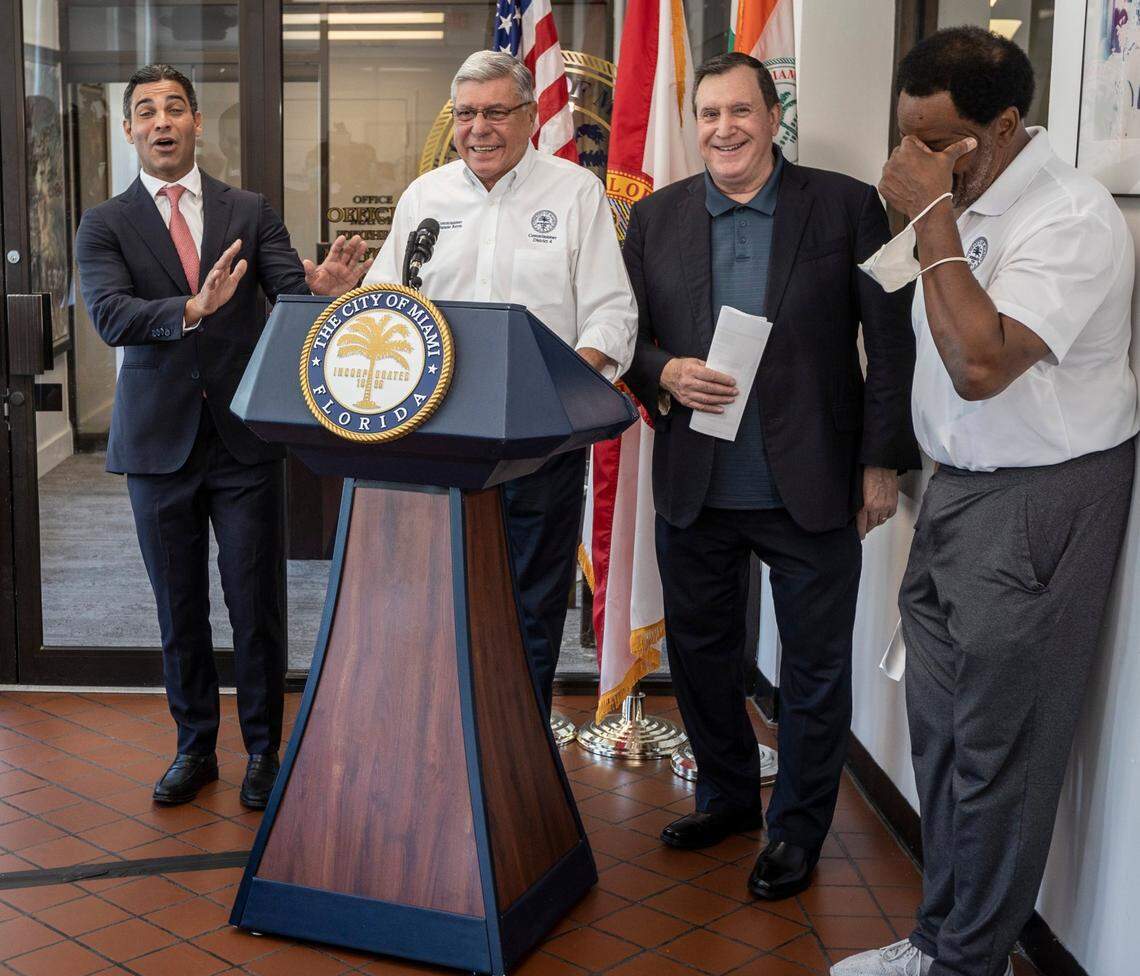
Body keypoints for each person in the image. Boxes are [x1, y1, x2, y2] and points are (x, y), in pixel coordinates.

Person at [830, 28, 1138, 976]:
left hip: (1040, 499)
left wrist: (929, 215)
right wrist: (939, 207)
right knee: (944, 735)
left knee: (1002, 746)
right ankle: (941, 936)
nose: (913, 158)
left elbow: (979, 365)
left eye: (937, 141)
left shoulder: (1073, 218)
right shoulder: (967, 198)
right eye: (906, 137)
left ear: (1002, 127)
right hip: (956, 493)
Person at [622, 52, 919, 900]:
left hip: (813, 483)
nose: (725, 129)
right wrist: (663, 371)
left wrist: (881, 461)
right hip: (697, 483)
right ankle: (725, 797)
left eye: (740, 111)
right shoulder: (657, 217)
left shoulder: (847, 206)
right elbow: (624, 334)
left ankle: (796, 830)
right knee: (701, 657)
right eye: (709, 114)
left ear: (773, 115)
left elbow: (890, 344)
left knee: (815, 671)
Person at [76, 64, 367, 809]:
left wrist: (324, 296)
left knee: (255, 603)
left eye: (175, 108)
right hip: (157, 445)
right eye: (147, 111)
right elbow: (110, 315)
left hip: (244, 440)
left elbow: (292, 296)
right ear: (130, 129)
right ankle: (194, 747)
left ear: (197, 122)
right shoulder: (104, 223)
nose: (162, 121)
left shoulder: (249, 209)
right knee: (179, 608)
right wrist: (192, 309)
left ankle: (265, 751)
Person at [362, 50, 637, 711]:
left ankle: (522, 744)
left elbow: (612, 312)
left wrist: (567, 385)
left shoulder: (575, 193)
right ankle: (443, 736)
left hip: (538, 440)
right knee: (435, 596)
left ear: (531, 116)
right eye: (466, 114)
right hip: (436, 438)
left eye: (495, 112)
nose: (478, 129)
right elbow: (383, 300)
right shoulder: (425, 197)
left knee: (529, 604)